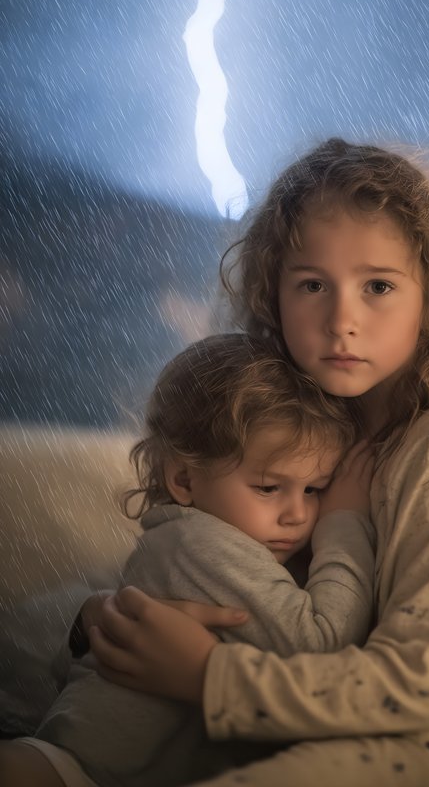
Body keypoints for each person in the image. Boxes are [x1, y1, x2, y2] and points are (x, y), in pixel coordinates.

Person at [1, 137, 429, 787]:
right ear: (274, 294)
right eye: (313, 284)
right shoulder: (305, 424)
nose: (342, 319)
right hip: (270, 715)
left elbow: (417, 685)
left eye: (378, 286)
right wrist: (107, 624)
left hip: (422, 742)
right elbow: (216, 570)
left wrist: (204, 675)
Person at [2, 332, 375, 787]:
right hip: (74, 767)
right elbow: (321, 642)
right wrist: (345, 521)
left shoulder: (191, 537)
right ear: (183, 478)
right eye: (268, 487)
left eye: (314, 490)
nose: (298, 514)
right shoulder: (204, 544)